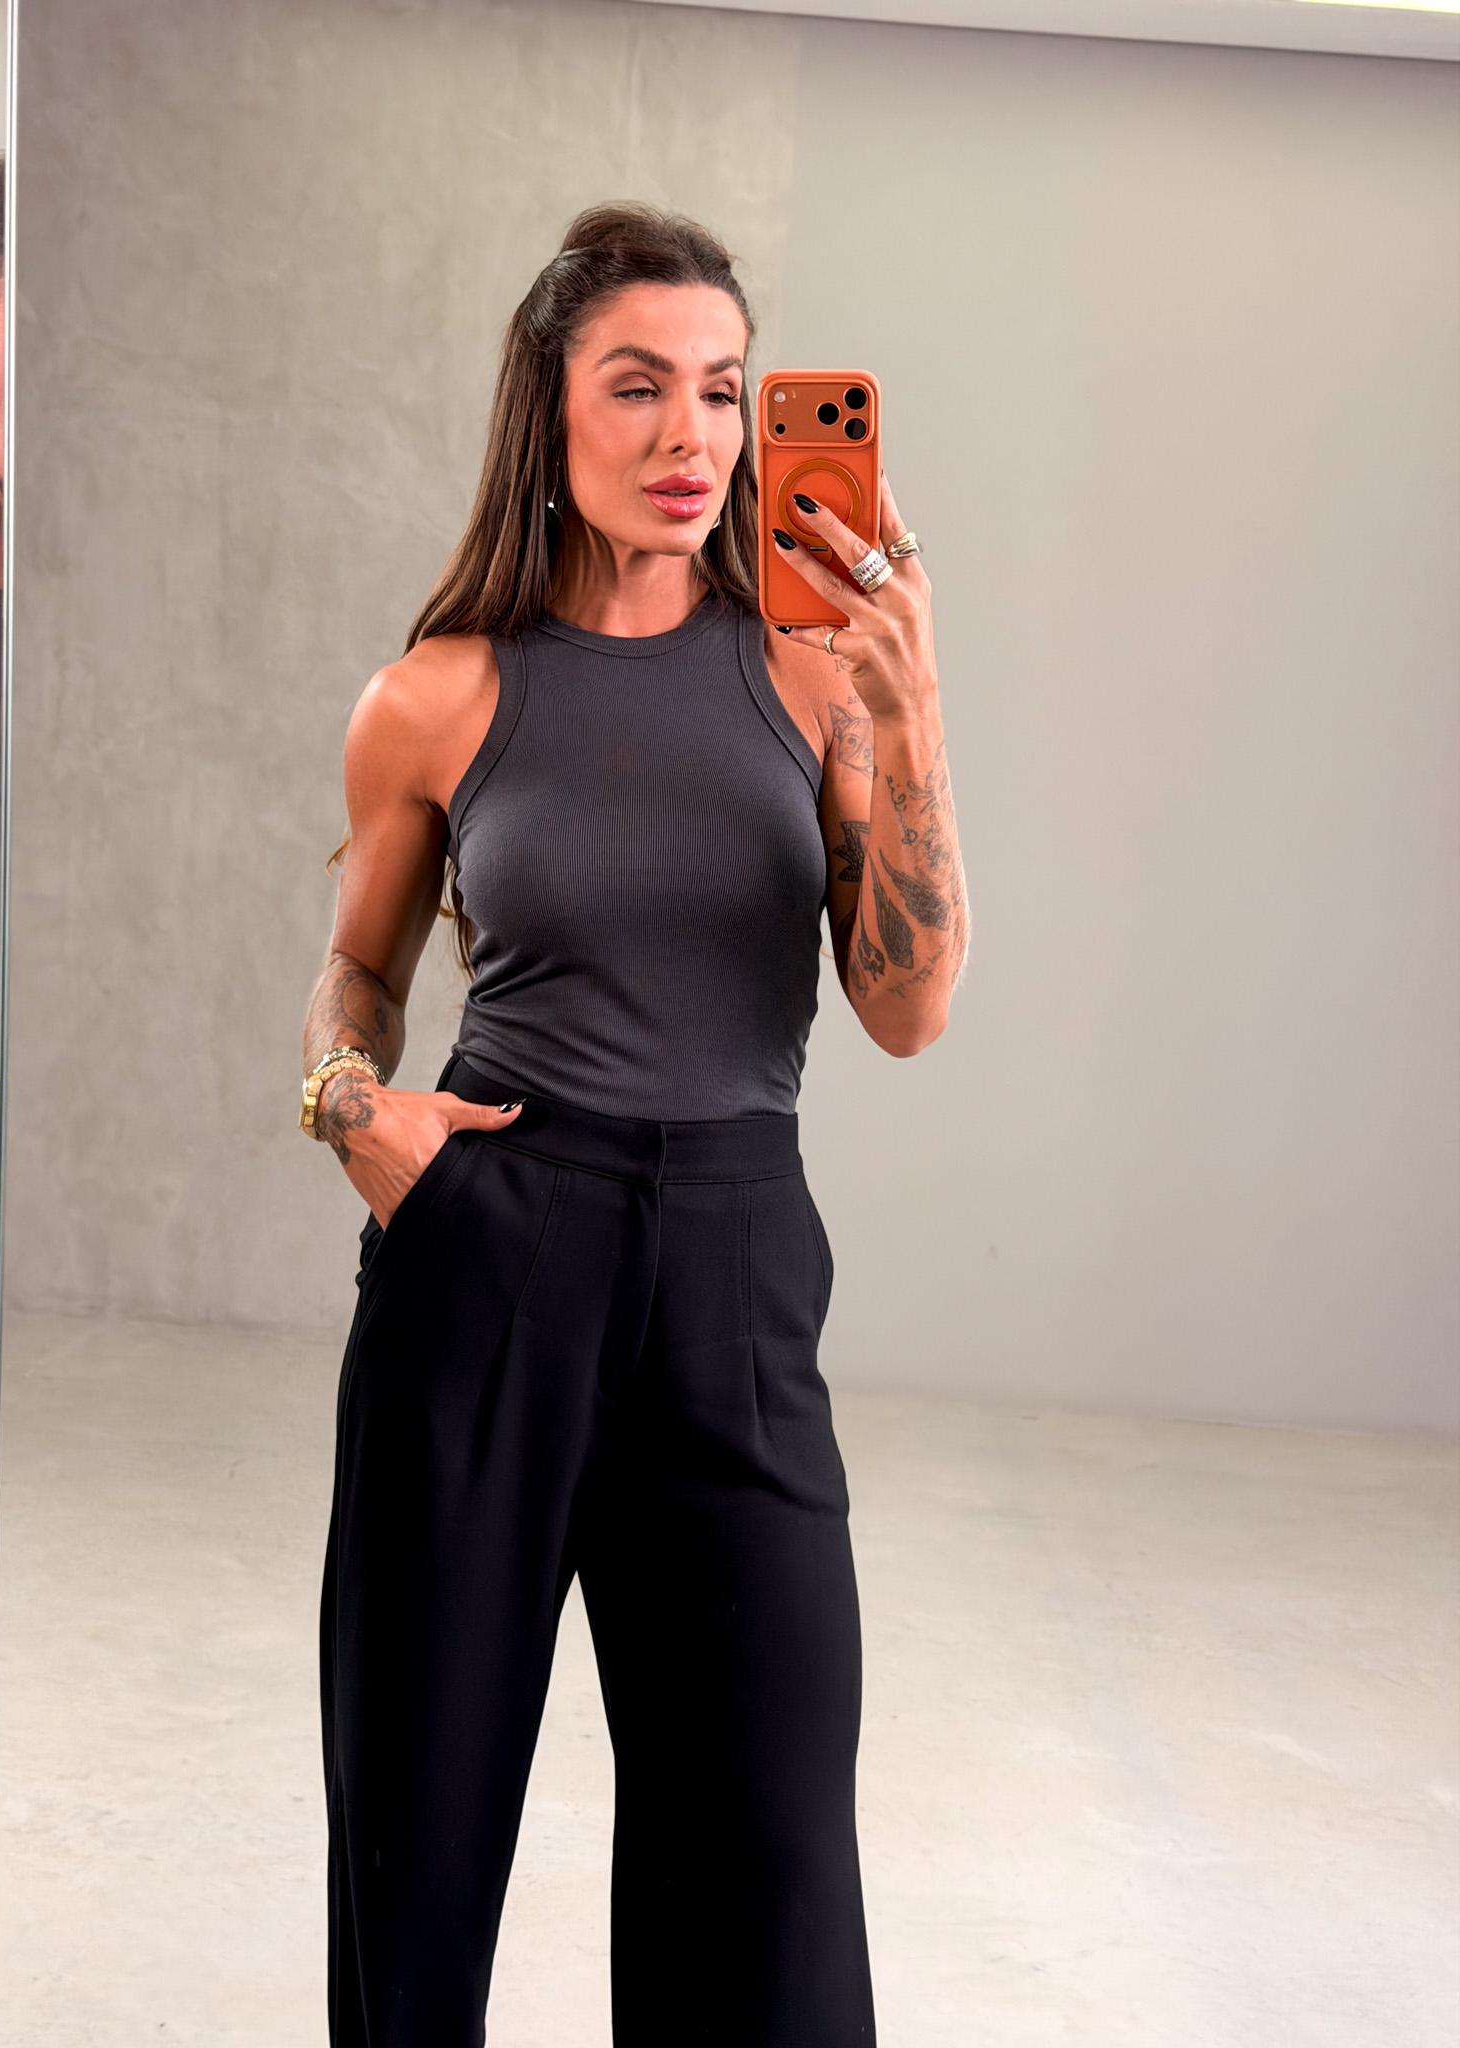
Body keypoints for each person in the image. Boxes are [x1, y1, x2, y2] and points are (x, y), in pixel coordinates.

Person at [303, 204, 969, 2048]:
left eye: (727, 391)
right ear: (552, 406)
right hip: (489, 1251)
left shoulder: (819, 680)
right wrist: (350, 1106)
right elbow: (355, 971)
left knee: (766, 1881)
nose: (694, 435)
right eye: (640, 386)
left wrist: (914, 718)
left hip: (735, 1274)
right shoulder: (436, 696)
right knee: (417, 1833)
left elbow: (907, 1010)